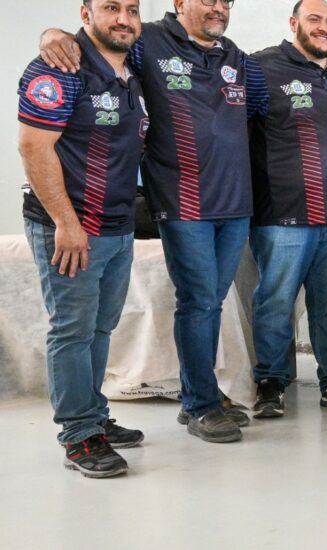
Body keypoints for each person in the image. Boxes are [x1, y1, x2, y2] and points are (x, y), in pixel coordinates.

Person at [40, 0, 261, 444]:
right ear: (180, 3)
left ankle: (201, 394)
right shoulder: (148, 42)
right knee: (198, 301)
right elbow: (97, 46)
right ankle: (199, 405)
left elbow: (258, 111)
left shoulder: (237, 56)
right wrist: (50, 35)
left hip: (235, 205)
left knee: (210, 304)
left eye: (225, 0)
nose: (218, 7)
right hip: (183, 203)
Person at [17, 0, 145, 477]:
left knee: (100, 327)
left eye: (132, 9)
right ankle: (78, 435)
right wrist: (67, 224)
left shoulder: (131, 66)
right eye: (111, 7)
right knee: (72, 329)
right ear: (86, 12)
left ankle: (94, 415)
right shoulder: (59, 67)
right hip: (70, 226)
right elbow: (34, 146)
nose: (124, 18)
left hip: (117, 223)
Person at [247, 0, 327, 417]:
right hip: (283, 214)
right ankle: (271, 381)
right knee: (275, 301)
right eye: (315, 20)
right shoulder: (261, 66)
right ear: (293, 24)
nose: (324, 28)